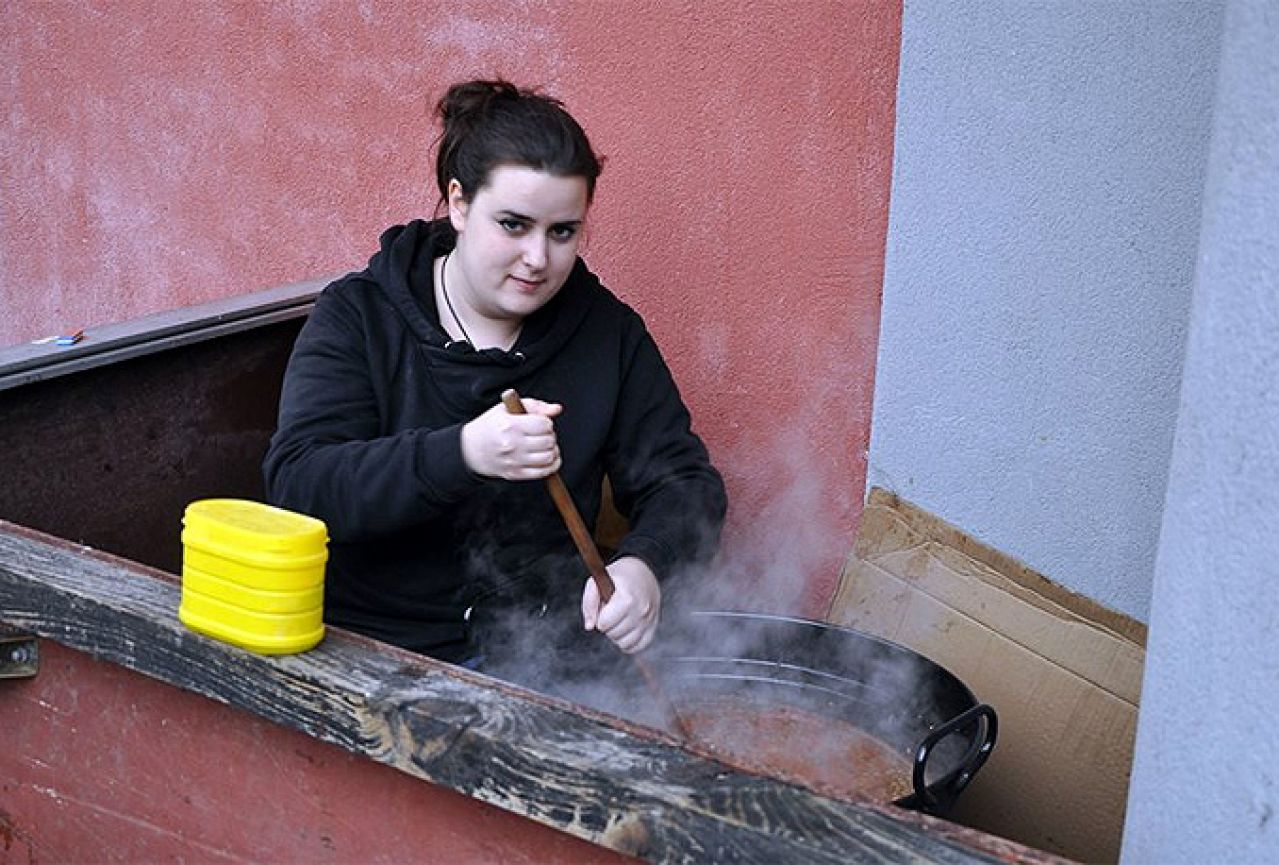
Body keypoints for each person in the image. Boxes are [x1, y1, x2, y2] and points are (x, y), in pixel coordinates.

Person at [262, 79, 726, 681]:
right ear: (458, 203)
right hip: (379, 654)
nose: (539, 257)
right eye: (513, 224)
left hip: (551, 655)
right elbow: (300, 484)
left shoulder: (606, 332)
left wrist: (646, 565)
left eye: (563, 232)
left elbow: (685, 483)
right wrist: (462, 452)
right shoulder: (361, 316)